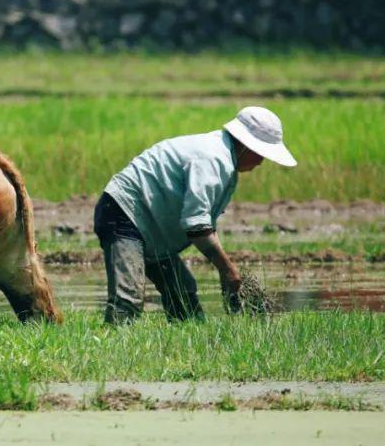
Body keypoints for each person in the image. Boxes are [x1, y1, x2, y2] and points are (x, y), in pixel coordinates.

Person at [94, 106, 296, 324]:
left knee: (182, 292)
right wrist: (227, 271)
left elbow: (203, 222)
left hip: (151, 224)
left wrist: (226, 268)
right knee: (128, 298)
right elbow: (196, 226)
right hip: (125, 213)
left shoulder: (223, 159)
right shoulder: (213, 159)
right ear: (246, 146)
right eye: (261, 154)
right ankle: (113, 341)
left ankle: (189, 334)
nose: (260, 162)